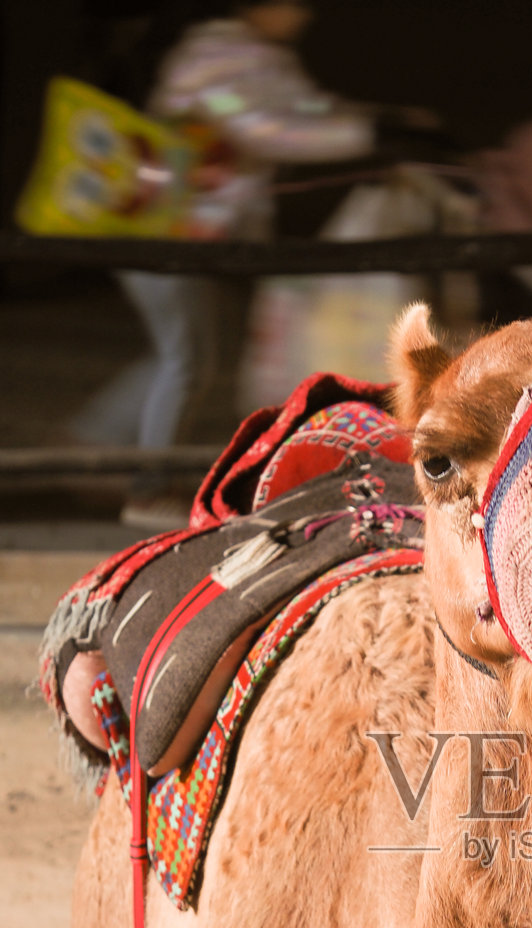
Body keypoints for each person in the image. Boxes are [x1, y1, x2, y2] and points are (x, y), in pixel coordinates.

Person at [70, 1, 377, 533]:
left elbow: (305, 110)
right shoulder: (215, 58)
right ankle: (146, 488)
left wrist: (371, 122)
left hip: (190, 236)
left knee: (186, 355)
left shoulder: (258, 57)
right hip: (164, 233)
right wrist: (366, 134)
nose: (304, 15)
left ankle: (88, 444)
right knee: (186, 359)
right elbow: (262, 127)